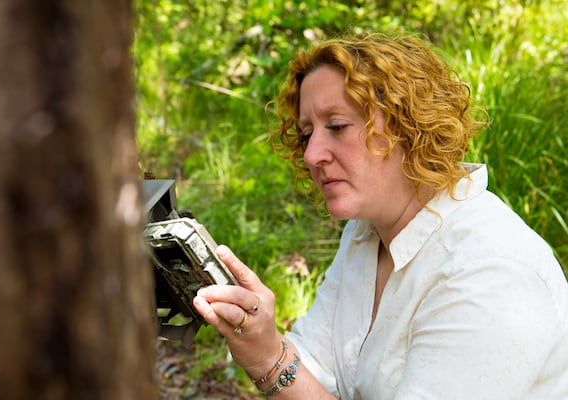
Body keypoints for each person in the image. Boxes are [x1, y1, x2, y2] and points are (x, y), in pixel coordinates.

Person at [193, 33, 568, 399]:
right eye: (307, 134)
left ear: (409, 125)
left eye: (337, 126)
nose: (311, 155)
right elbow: (317, 367)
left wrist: (269, 359)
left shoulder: (489, 272)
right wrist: (263, 345)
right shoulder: (368, 232)